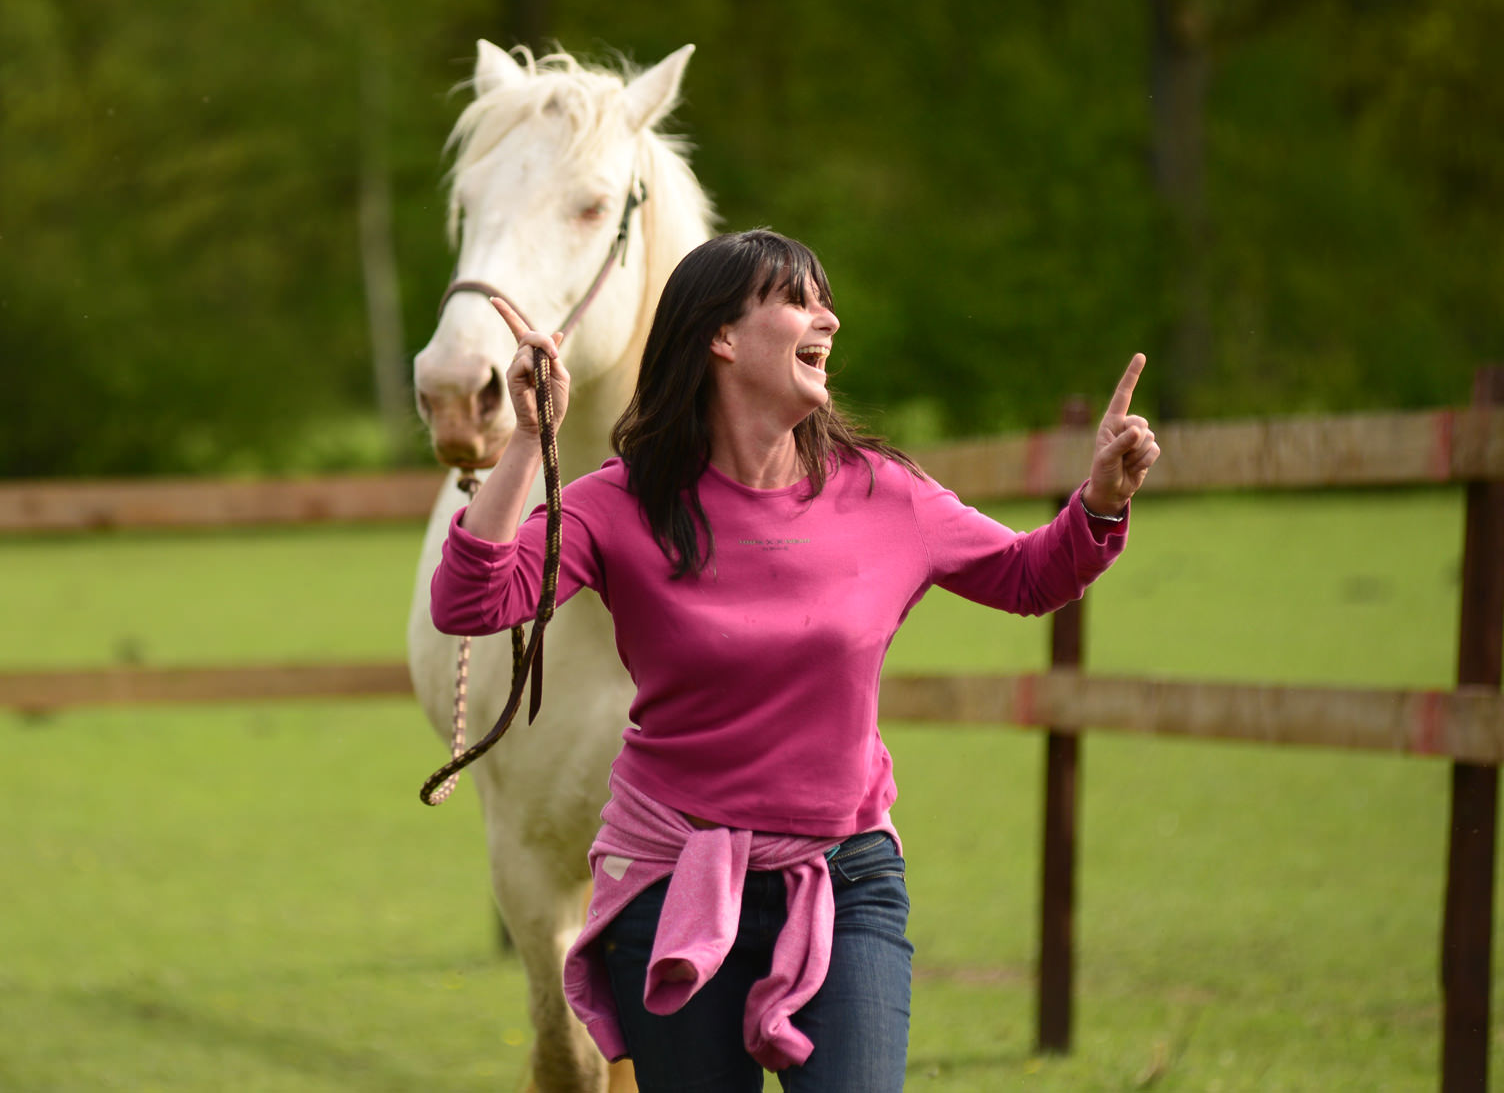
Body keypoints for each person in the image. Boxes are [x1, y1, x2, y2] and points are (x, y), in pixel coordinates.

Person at [430, 229, 1158, 1092]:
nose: (830, 318)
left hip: (846, 879)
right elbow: (472, 603)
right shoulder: (621, 503)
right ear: (722, 337)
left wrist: (1102, 502)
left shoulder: (886, 493)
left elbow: (1031, 576)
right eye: (799, 300)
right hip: (672, 881)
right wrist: (525, 441)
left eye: (825, 299)